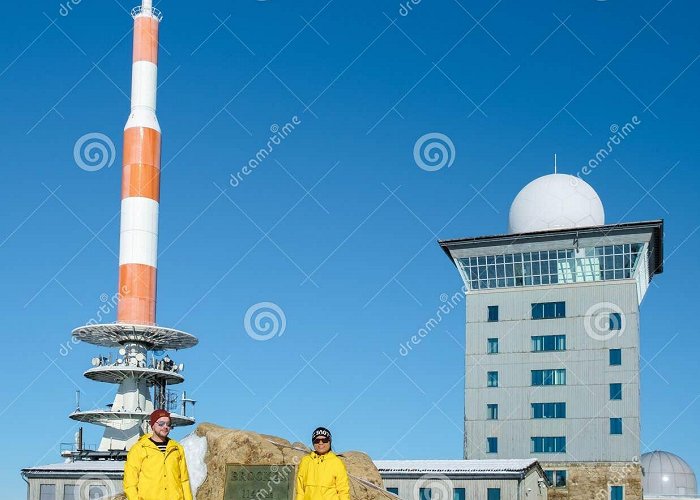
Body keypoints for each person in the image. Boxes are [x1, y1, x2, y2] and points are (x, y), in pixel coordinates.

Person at [123, 409, 193, 500]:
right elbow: (130, 483)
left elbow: (184, 481)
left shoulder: (177, 448)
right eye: (161, 424)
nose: (165, 427)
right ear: (152, 425)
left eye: (168, 424)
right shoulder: (139, 449)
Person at [296, 427, 350, 500]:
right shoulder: (305, 461)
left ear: (329, 441)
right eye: (317, 440)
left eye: (324, 440)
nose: (320, 443)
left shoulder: (337, 462)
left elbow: (343, 491)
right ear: (313, 442)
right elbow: (300, 490)